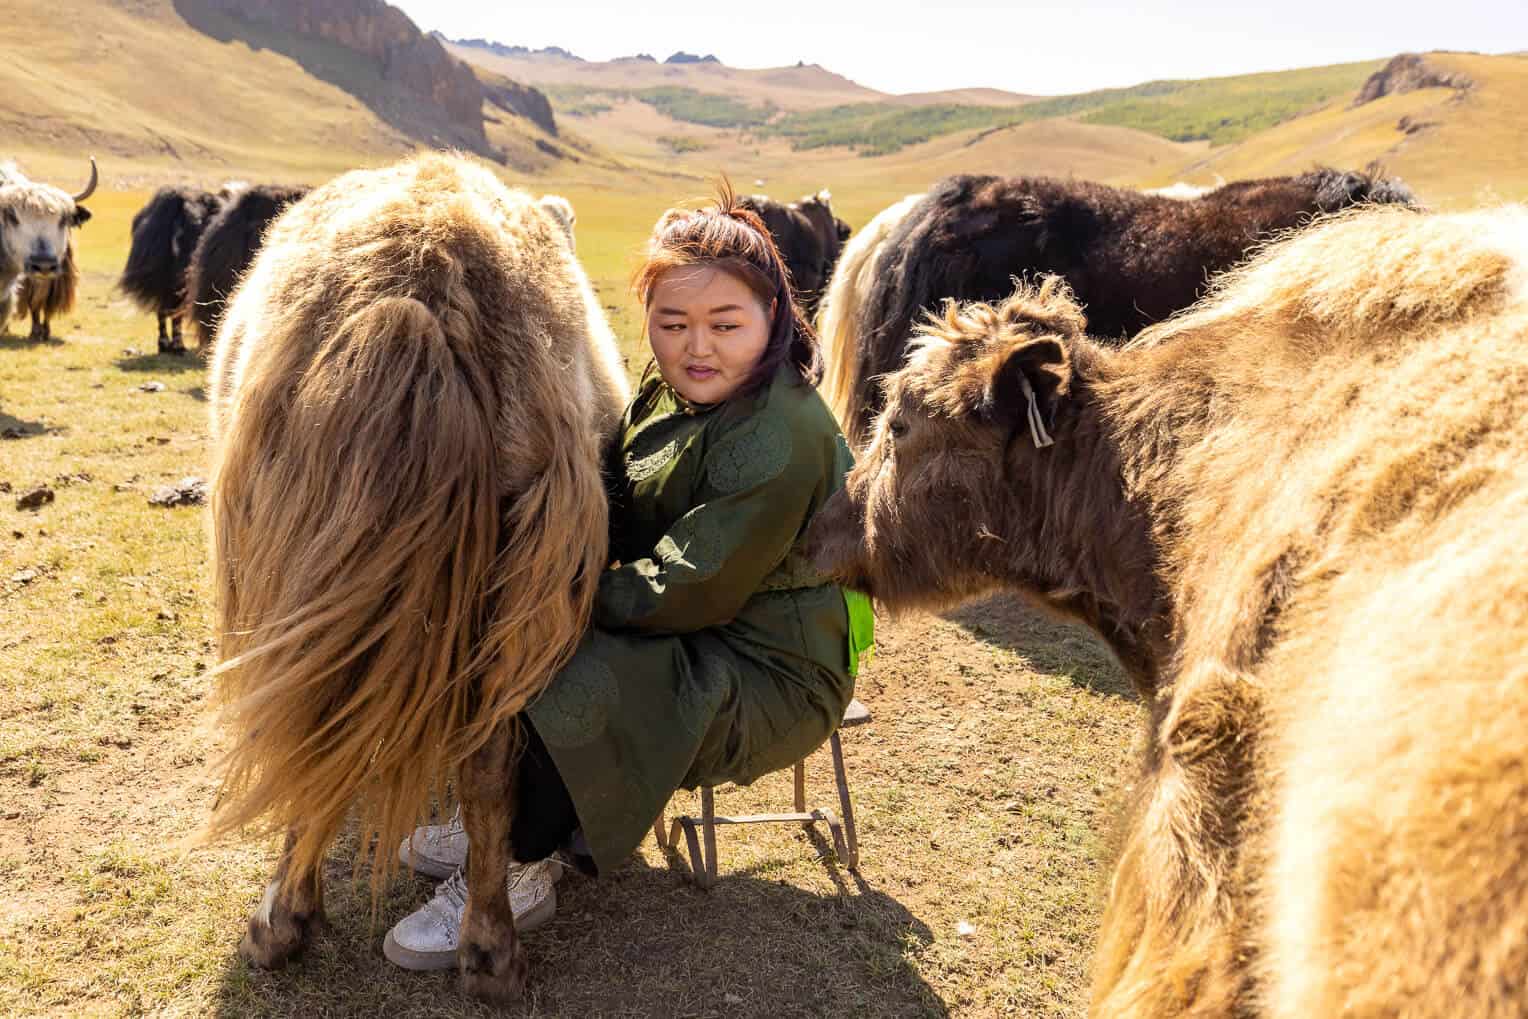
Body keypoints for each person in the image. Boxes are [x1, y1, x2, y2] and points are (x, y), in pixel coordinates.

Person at [383, 186, 875, 971]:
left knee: (557, 669)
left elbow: (690, 585)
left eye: (725, 324)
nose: (696, 346)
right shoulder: (668, 388)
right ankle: (502, 816)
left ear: (774, 318)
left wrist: (558, 595)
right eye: (672, 324)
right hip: (693, 624)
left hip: (768, 662)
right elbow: (610, 481)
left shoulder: (779, 435)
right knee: (522, 646)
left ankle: (517, 859)